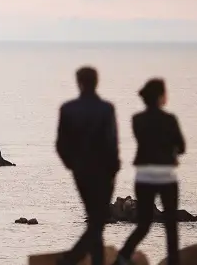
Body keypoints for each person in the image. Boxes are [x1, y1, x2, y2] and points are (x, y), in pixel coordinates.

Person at [114, 78, 186, 265]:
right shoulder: (170, 120)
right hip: (165, 176)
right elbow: (181, 147)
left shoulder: (137, 119)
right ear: (162, 97)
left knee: (144, 224)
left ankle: (122, 258)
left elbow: (145, 142)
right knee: (170, 225)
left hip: (144, 176)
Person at [56, 66, 121, 265]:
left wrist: (72, 165)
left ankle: (94, 261)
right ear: (96, 82)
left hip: (81, 172)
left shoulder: (67, 109)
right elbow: (112, 143)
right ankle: (69, 259)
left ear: (79, 82)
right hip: (103, 172)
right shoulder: (106, 109)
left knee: (96, 220)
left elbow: (61, 145)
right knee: (98, 221)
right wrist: (113, 169)